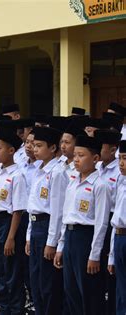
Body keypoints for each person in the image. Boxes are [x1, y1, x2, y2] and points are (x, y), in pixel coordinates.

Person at [54, 135, 111, 315]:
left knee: (89, 291)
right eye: (75, 155)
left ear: (95, 159)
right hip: (70, 238)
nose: (76, 160)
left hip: (86, 239)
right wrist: (61, 246)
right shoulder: (72, 183)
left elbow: (101, 223)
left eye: (81, 155)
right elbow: (66, 217)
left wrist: (94, 254)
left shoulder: (100, 185)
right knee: (71, 290)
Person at [0, 126, 27, 315]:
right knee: (0, 271)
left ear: (11, 150)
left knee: (12, 273)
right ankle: (5, 308)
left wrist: (11, 237)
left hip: (9, 224)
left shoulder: (17, 175)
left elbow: (18, 210)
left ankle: (15, 309)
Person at [25, 127, 67, 315]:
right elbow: (32, 206)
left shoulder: (57, 172)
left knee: (47, 283)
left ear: (52, 148)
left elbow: (57, 211)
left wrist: (52, 242)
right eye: (33, 145)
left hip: (47, 226)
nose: (35, 149)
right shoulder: (38, 170)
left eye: (39, 146)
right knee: (35, 280)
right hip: (35, 226)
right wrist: (28, 236)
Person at [94, 129, 122, 315]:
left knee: (113, 277)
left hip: (113, 222)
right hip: (97, 221)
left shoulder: (119, 171)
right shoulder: (98, 169)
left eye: (101, 147)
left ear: (113, 150)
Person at [108, 140, 126, 314]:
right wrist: (112, 256)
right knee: (121, 292)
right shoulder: (121, 183)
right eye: (119, 158)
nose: (121, 163)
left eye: (125, 158)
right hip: (120, 238)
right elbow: (116, 222)